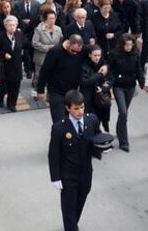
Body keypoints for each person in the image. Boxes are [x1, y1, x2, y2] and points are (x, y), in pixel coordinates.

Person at [48, 90, 101, 231]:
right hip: (68, 176)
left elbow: (98, 137)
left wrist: (103, 147)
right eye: (76, 108)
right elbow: (53, 154)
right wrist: (55, 178)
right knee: (68, 209)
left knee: (79, 205)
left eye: (82, 107)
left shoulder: (92, 120)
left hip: (85, 174)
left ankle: (72, 225)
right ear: (67, 108)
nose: (80, 111)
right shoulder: (59, 128)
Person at [109, 34, 144, 152]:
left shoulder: (135, 54)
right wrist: (112, 82)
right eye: (127, 45)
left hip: (131, 86)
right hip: (119, 87)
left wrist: (143, 83)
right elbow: (110, 70)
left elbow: (139, 69)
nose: (129, 47)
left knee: (123, 113)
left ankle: (119, 131)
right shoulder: (115, 54)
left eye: (131, 44)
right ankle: (124, 142)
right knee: (123, 112)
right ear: (122, 45)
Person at [37, 35, 84, 123]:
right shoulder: (55, 52)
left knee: (72, 121)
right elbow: (44, 71)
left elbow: (94, 51)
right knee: (60, 122)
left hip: (72, 92)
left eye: (78, 52)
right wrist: (40, 90)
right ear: (68, 44)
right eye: (73, 51)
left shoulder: (79, 51)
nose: (75, 54)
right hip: (57, 92)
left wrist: (104, 65)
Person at [0, 15, 26, 112]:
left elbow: (24, 44)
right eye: (9, 25)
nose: (12, 27)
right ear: (5, 26)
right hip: (5, 66)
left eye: (13, 25)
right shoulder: (0, 36)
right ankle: (1, 99)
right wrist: (3, 54)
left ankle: (12, 104)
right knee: (4, 86)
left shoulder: (19, 34)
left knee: (15, 86)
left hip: (16, 65)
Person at [81, 44, 113, 132]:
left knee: (103, 115)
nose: (97, 57)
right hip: (89, 97)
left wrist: (103, 88)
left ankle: (104, 126)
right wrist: (100, 74)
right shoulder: (84, 66)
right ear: (90, 55)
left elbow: (111, 79)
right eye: (95, 55)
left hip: (101, 96)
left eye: (99, 55)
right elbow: (85, 82)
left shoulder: (104, 65)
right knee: (92, 120)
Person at [32, 10, 63, 94]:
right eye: (50, 18)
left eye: (54, 18)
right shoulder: (39, 29)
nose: (52, 20)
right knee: (39, 76)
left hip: (54, 57)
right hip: (41, 57)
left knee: (52, 76)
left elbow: (61, 42)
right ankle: (37, 91)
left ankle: (50, 93)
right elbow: (34, 43)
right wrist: (48, 48)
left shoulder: (58, 29)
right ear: (45, 19)